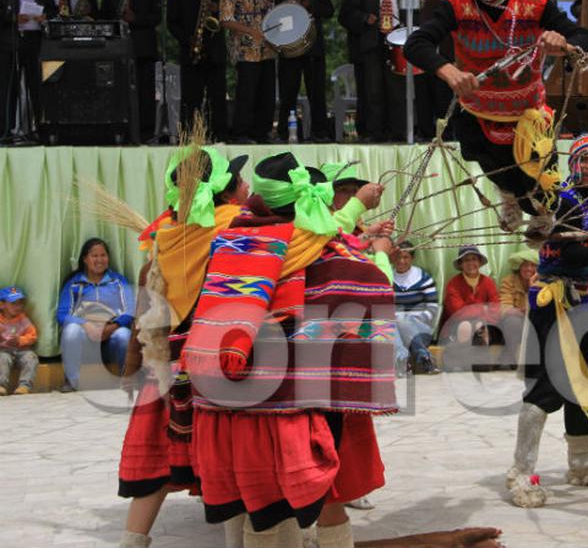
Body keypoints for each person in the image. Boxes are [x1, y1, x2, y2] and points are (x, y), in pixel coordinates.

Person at [181, 152, 396, 548]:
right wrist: (378, 250)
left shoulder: (230, 241)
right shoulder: (325, 251)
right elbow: (374, 291)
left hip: (232, 400)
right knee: (316, 498)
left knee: (256, 504)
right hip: (298, 406)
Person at [405, 0, 588, 235]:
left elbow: (586, 39)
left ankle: (540, 212)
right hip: (479, 108)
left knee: (536, 174)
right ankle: (507, 197)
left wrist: (564, 44)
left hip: (527, 111)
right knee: (493, 165)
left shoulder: (536, 0)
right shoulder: (456, 1)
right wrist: (449, 71)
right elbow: (417, 44)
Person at [116, 148, 248, 548]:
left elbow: (146, 308)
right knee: (230, 457)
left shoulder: (166, 234)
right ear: (226, 190)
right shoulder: (238, 228)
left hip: (167, 366)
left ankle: (133, 540)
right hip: (219, 365)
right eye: (240, 179)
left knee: (158, 457)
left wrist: (132, 364)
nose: (247, 184)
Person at [506, 134, 588, 509]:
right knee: (547, 385)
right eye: (584, 159)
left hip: (578, 302)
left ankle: (581, 466)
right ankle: (520, 470)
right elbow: (574, 253)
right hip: (553, 300)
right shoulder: (561, 199)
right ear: (571, 164)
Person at [339, 0, 407, 142]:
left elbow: (411, 12)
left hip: (395, 41)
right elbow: (345, 15)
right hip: (371, 42)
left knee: (396, 90)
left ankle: (396, 132)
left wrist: (404, 26)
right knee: (372, 89)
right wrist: (364, 18)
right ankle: (373, 133)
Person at [56, 238, 135, 392]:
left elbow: (130, 310)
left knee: (124, 335)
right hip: (84, 340)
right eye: (94, 256)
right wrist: (85, 325)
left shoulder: (118, 281)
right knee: (71, 331)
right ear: (85, 259)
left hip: (110, 339)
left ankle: (126, 379)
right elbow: (62, 314)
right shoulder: (74, 283)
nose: (100, 260)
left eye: (103, 255)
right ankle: (72, 380)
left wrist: (112, 327)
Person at [274, 0, 335, 142]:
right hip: (289, 46)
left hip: (313, 47)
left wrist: (311, 5)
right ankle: (285, 131)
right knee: (288, 92)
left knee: (316, 92)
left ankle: (320, 132)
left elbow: (329, 10)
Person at [166, 0, 228, 140]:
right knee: (191, 98)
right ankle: (190, 136)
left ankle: (219, 135)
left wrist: (217, 9)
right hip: (192, 50)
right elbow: (172, 22)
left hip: (215, 51)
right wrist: (188, 39)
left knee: (217, 98)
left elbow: (229, 16)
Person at [100, 0, 161, 143]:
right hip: (118, 50)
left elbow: (157, 18)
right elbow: (104, 20)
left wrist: (136, 19)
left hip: (144, 50)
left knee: (145, 92)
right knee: (119, 91)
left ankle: (147, 131)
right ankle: (121, 129)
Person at [220, 0, 276, 144]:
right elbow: (225, 19)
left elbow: (273, 12)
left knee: (267, 92)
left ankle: (263, 131)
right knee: (247, 91)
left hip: (267, 49)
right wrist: (250, 30)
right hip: (245, 50)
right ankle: (241, 132)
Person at [0, 0, 44, 146]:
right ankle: (6, 131)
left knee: (38, 85)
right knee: (9, 86)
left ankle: (41, 129)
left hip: (35, 38)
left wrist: (45, 17)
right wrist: (12, 18)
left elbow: (50, 6)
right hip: (10, 38)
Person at [416, 0, 458, 141]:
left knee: (444, 96)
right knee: (423, 96)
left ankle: (446, 134)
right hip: (424, 54)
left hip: (444, 53)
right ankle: (425, 132)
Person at [392, 240, 439, 375]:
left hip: (421, 329)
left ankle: (405, 362)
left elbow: (432, 309)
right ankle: (420, 359)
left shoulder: (423, 278)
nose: (401, 261)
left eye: (406, 257)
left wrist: (409, 318)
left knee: (401, 320)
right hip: (396, 329)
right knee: (391, 323)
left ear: (412, 258)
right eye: (398, 257)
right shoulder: (387, 277)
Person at [439, 245, 500, 347]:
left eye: (474, 259)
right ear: (461, 264)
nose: (471, 263)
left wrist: (482, 319)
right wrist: (483, 308)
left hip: (484, 323)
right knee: (466, 327)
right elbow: (458, 313)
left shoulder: (488, 282)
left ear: (479, 262)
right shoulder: (453, 284)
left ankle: (480, 361)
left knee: (481, 327)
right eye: (466, 260)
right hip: (457, 325)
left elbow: (496, 309)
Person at [0, 287, 38, 395]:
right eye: (13, 303)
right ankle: (1, 385)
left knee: (31, 357)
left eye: (20, 303)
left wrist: (20, 340)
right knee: (2, 358)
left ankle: (25, 386)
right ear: (2, 305)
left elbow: (33, 335)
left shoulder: (23, 319)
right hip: (3, 350)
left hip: (21, 350)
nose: (18, 307)